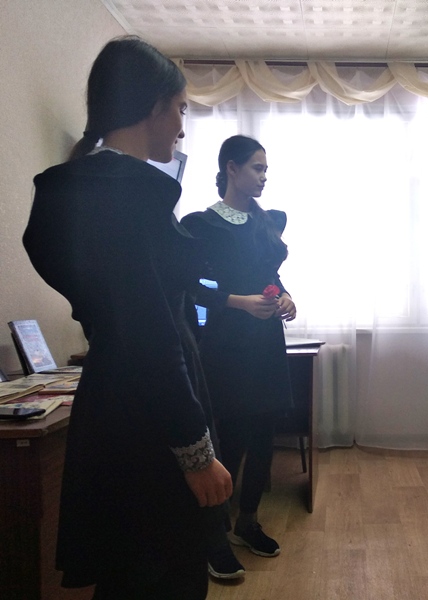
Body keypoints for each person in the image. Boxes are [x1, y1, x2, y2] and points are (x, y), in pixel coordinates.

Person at [23, 36, 232, 600]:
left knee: (127, 573)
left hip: (110, 399)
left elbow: (119, 314)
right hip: (152, 416)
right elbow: (152, 334)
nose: (182, 127)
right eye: (181, 108)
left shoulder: (70, 190)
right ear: (153, 106)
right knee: (168, 574)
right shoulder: (133, 195)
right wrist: (195, 452)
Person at [181, 135, 296, 578]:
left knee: (265, 435)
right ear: (231, 168)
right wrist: (238, 302)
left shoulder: (267, 221)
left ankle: (248, 521)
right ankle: (215, 535)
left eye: (266, 170)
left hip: (266, 343)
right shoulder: (202, 225)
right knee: (227, 438)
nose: (264, 177)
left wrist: (285, 296)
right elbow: (192, 288)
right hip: (226, 345)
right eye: (257, 168)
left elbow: (271, 274)